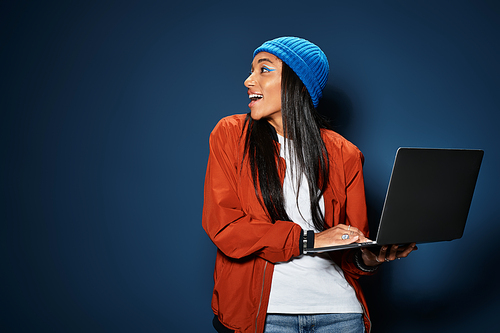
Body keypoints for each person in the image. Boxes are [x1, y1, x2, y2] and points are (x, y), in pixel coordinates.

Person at [202, 36, 416, 333]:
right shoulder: (230, 135)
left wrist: (369, 257)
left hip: (339, 315)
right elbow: (226, 227)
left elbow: (349, 250)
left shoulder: (345, 154)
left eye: (264, 70)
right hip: (265, 317)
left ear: (298, 83)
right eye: (252, 70)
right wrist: (310, 240)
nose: (248, 80)